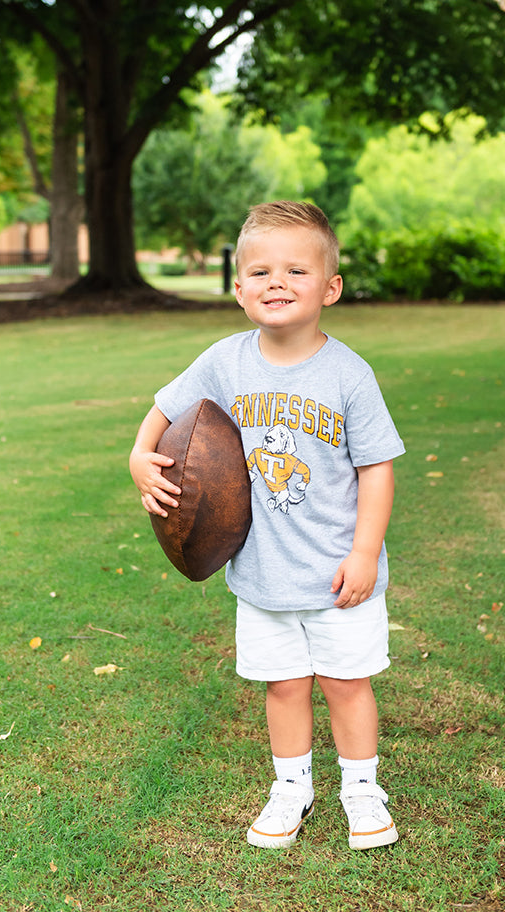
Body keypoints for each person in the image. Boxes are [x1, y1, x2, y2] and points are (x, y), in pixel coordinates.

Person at [129, 201, 405, 850]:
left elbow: (377, 469)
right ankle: (291, 788)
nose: (276, 282)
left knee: (345, 683)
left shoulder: (349, 375)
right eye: (260, 272)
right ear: (238, 289)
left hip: (339, 574)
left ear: (330, 288)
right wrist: (140, 456)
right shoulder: (225, 362)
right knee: (283, 686)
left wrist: (365, 553)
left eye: (295, 271)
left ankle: (362, 790)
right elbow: (164, 411)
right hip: (260, 572)